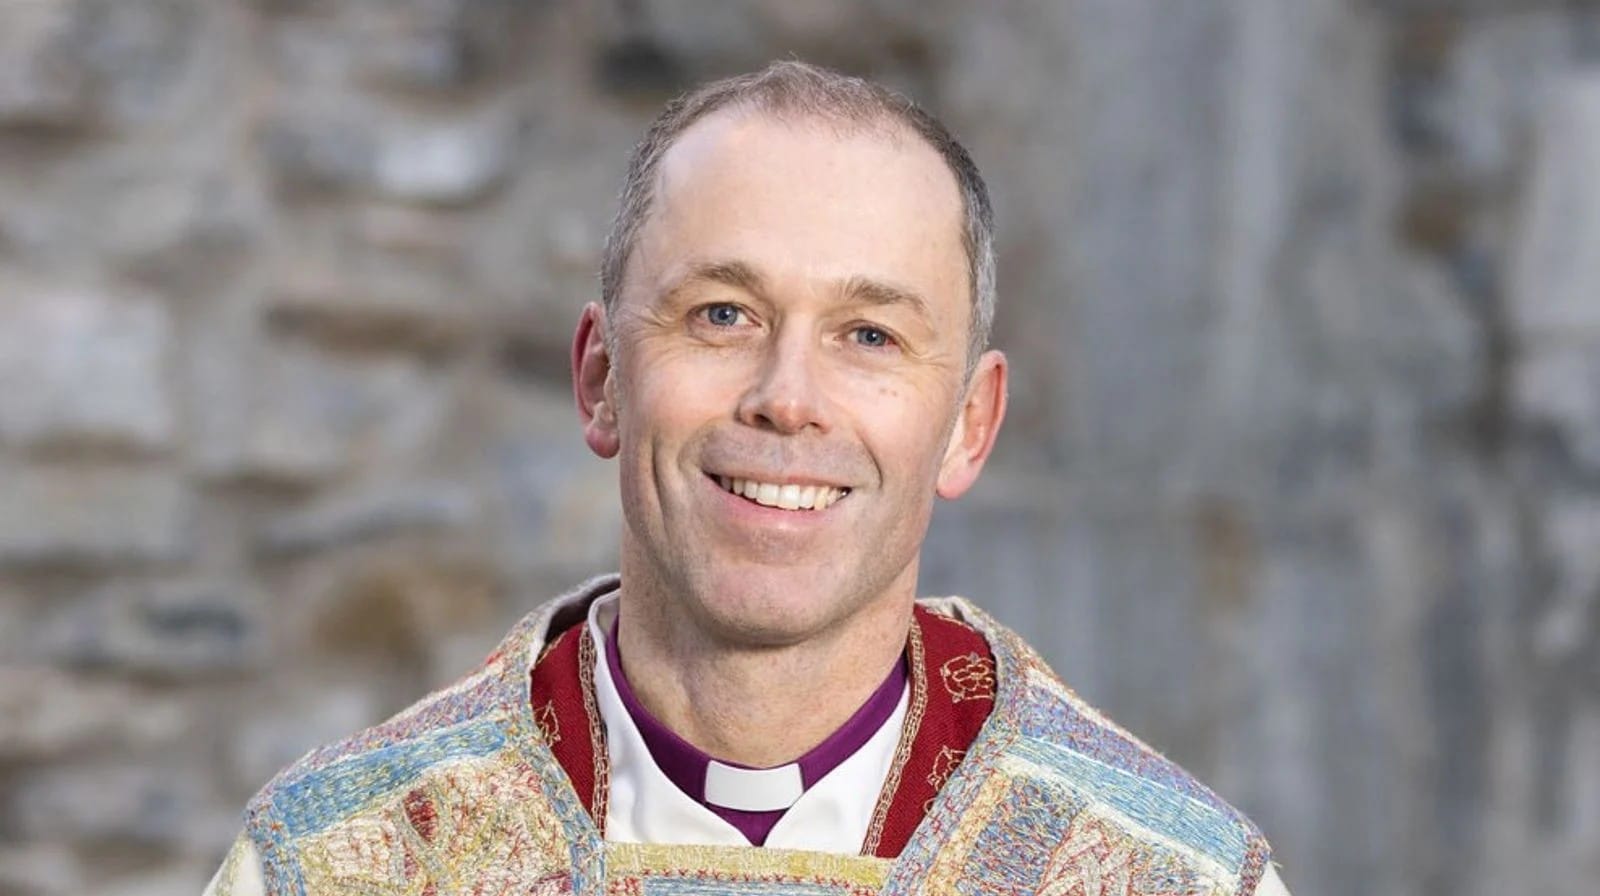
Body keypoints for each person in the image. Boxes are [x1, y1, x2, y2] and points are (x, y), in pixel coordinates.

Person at [203, 61, 1291, 895]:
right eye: (722, 314)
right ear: (601, 379)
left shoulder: (1169, 875)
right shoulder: (338, 864)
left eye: (869, 335)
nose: (786, 396)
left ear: (969, 424)